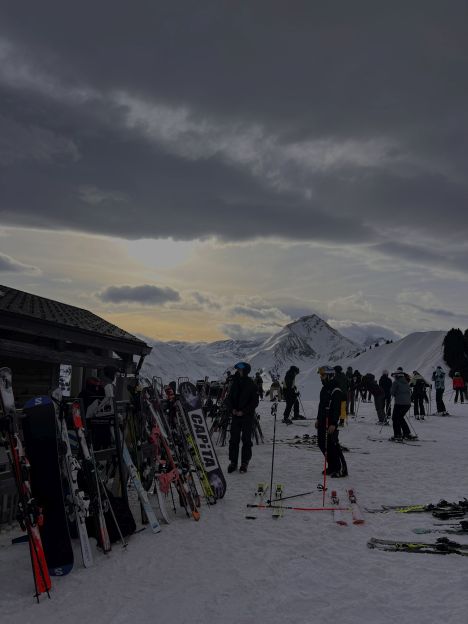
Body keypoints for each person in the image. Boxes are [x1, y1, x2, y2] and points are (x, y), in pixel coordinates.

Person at [226, 362, 259, 473]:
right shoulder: (234, 383)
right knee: (233, 440)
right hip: (235, 416)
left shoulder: (251, 384)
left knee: (246, 440)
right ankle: (233, 462)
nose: (238, 371)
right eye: (238, 370)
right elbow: (229, 399)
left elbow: (254, 402)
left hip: (247, 417)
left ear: (245, 371)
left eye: (240, 370)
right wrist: (232, 409)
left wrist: (244, 411)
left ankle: (244, 463)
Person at [315, 366, 348, 478]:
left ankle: (341, 468)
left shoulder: (336, 390)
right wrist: (318, 419)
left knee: (332, 444)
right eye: (321, 375)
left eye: (323, 375)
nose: (321, 377)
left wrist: (334, 423)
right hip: (322, 419)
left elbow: (336, 408)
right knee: (321, 443)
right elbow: (321, 405)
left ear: (330, 376)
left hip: (330, 420)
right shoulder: (324, 389)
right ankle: (332, 465)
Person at [391, 368, 416, 440]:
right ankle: (407, 433)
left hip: (399, 403)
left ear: (397, 376)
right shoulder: (406, 382)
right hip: (407, 404)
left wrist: (394, 392)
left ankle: (397, 435)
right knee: (400, 418)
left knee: (395, 418)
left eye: (395, 376)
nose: (394, 377)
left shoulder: (396, 382)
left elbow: (392, 392)